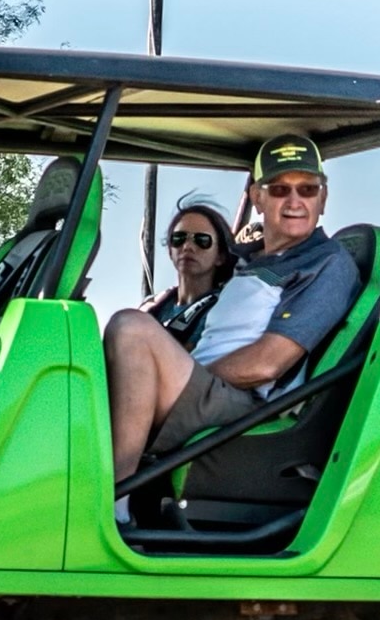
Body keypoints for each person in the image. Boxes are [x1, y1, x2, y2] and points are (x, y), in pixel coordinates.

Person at [103, 135, 361, 480]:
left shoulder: (326, 263)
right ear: (257, 197)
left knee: (130, 327)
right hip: (208, 386)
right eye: (280, 190)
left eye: (308, 189)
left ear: (323, 198)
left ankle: (115, 500)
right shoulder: (252, 260)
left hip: (243, 401)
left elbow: (267, 364)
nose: (295, 202)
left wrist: (178, 374)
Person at [141, 194, 239, 351]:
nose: (187, 247)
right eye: (179, 238)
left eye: (202, 240)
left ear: (220, 256)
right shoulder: (153, 306)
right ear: (170, 251)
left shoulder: (224, 309)